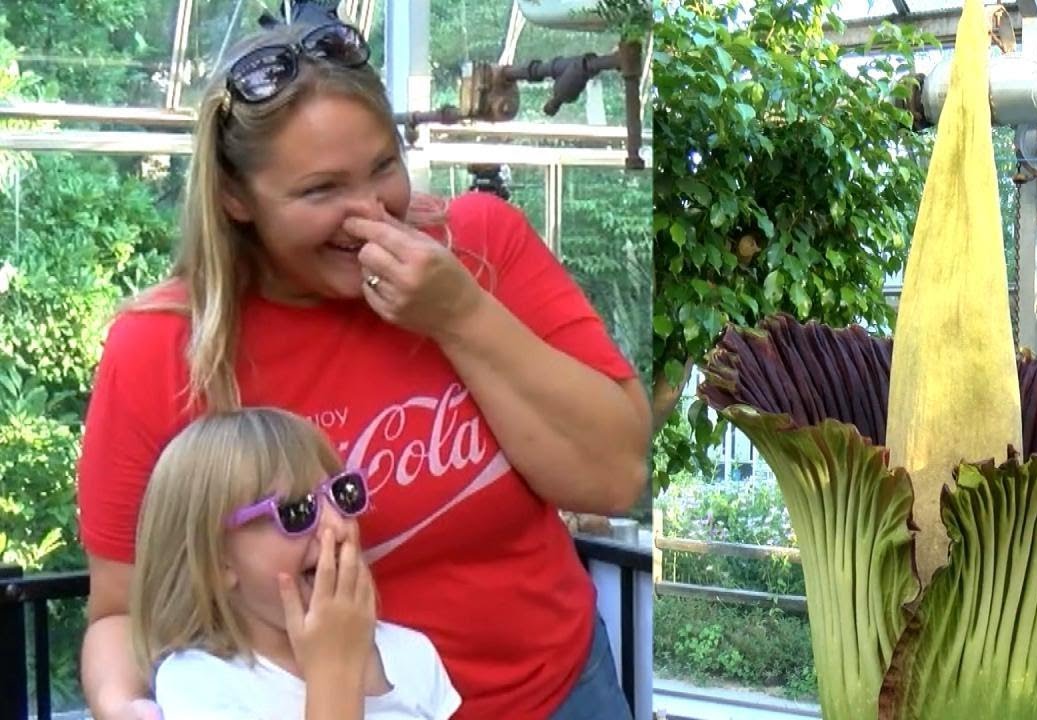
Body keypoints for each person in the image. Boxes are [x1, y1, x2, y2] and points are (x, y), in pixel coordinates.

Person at [75, 4, 652, 719]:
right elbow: (120, 613)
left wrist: (460, 314)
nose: (369, 214)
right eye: (321, 191)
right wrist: (121, 705)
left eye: (383, 168)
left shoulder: (480, 244)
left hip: (561, 693)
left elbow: (614, 475)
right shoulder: (160, 347)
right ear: (235, 198)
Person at [132, 407, 460, 719]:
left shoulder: (411, 656)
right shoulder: (200, 683)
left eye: (342, 494)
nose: (336, 524)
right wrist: (334, 670)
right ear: (217, 562)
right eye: (295, 511)